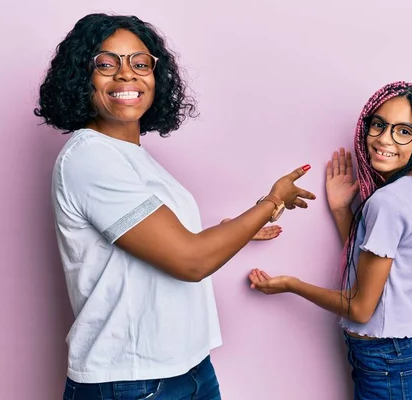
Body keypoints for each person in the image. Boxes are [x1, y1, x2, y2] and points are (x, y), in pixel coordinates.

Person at [34, 13, 316, 400]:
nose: (126, 75)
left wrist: (241, 226)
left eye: (140, 63)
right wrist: (271, 202)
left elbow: (168, 244)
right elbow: (190, 259)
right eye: (106, 64)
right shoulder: (90, 158)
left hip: (187, 367)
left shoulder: (132, 157)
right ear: (81, 77)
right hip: (131, 380)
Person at [248, 81, 412, 399]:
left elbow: (359, 308)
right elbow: (375, 272)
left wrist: (290, 284)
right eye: (378, 125)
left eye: (403, 132)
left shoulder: (387, 203)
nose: (383, 139)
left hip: (387, 362)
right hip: (398, 356)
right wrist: (344, 211)